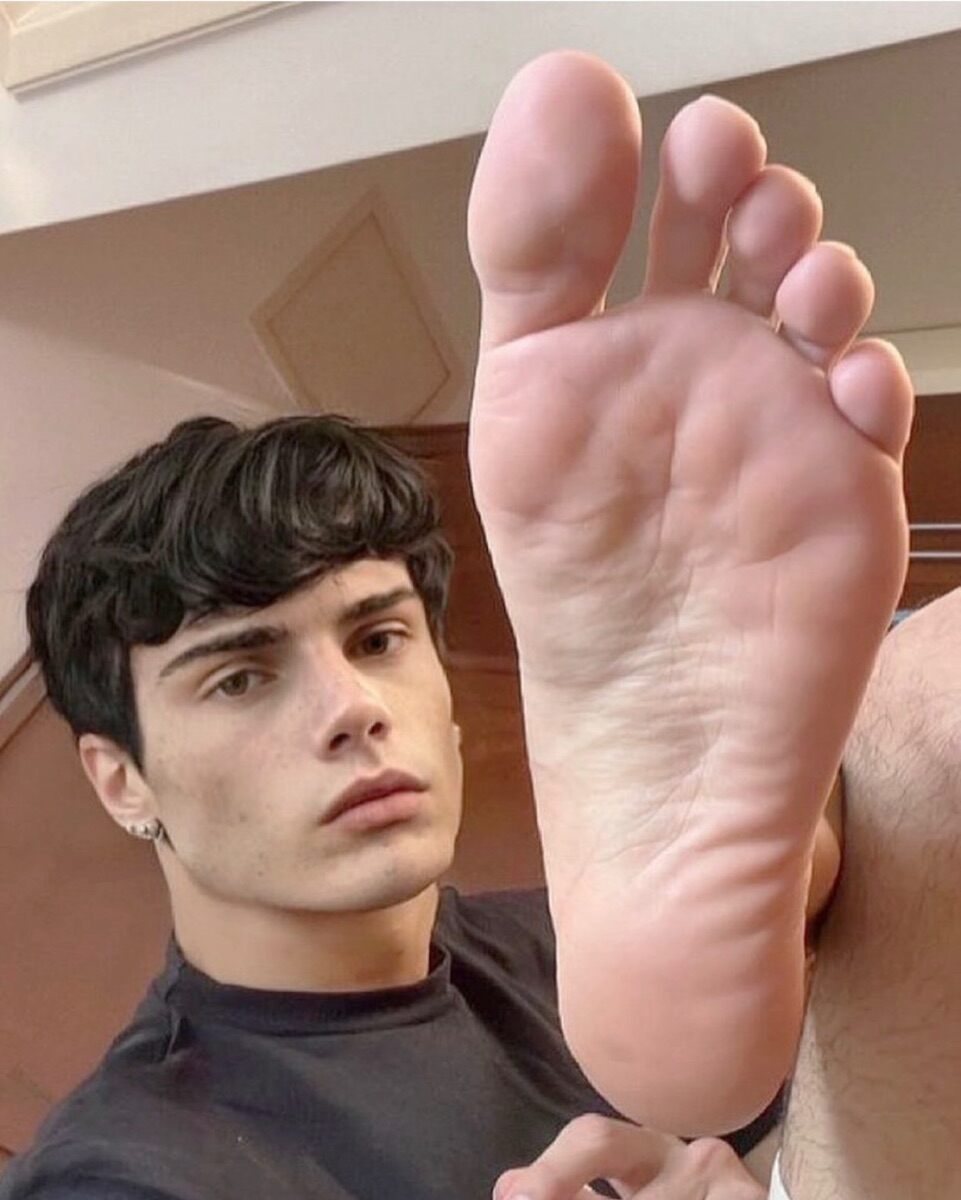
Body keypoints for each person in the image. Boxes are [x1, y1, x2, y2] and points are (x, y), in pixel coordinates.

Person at [1, 47, 888, 1200]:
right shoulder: (123, 1172)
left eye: (377, 640)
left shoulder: (584, 942)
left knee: (921, 727)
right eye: (240, 676)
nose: (353, 710)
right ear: (122, 779)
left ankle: (796, 817)